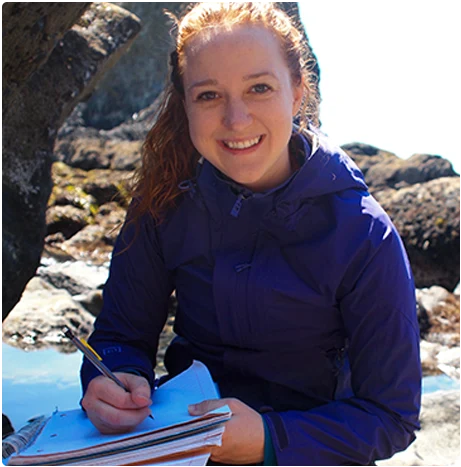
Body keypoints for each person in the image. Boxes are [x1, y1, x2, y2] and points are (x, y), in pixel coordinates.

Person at [80, 2, 422, 466]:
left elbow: (391, 416)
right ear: (185, 105)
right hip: (183, 450)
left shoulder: (363, 234)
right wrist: (112, 376)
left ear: (298, 91)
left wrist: (267, 438)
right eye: (208, 96)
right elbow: (120, 335)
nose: (236, 120)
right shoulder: (161, 206)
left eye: (259, 88)